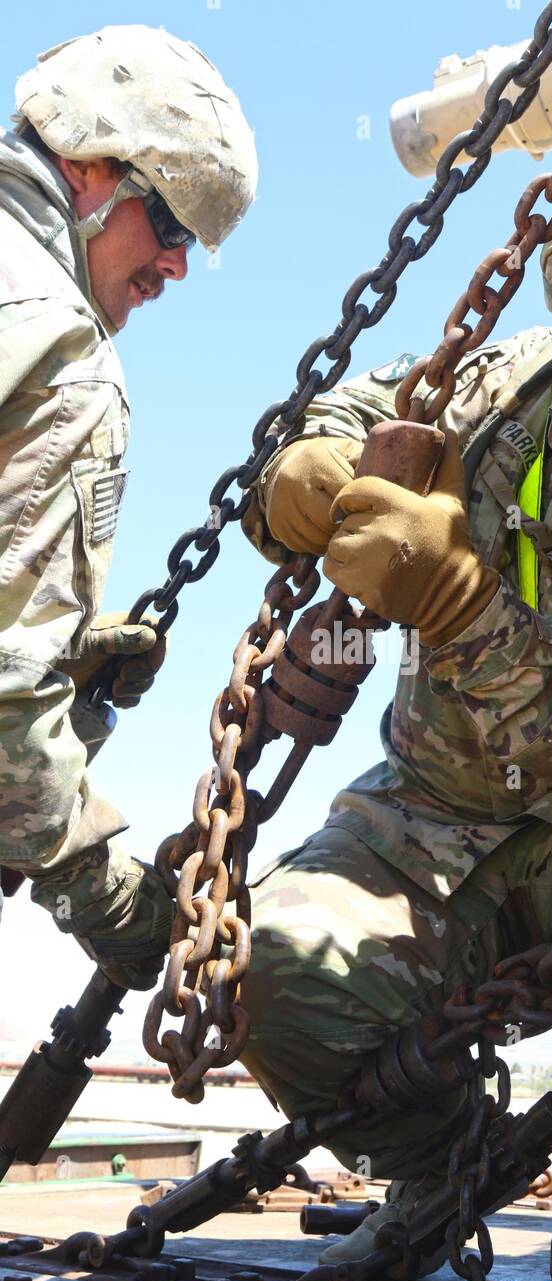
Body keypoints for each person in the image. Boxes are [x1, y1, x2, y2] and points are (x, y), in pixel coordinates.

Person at [238, 157, 552, 1265]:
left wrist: (458, 607)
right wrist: (308, 465)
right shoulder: (518, 386)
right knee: (278, 983)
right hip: (434, 822)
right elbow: (371, 399)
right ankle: (444, 1163)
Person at [0, 26, 257, 989]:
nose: (178, 267)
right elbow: (3, 701)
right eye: (173, 227)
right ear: (93, 168)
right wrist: (103, 894)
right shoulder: (63, 359)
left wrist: (58, 645)